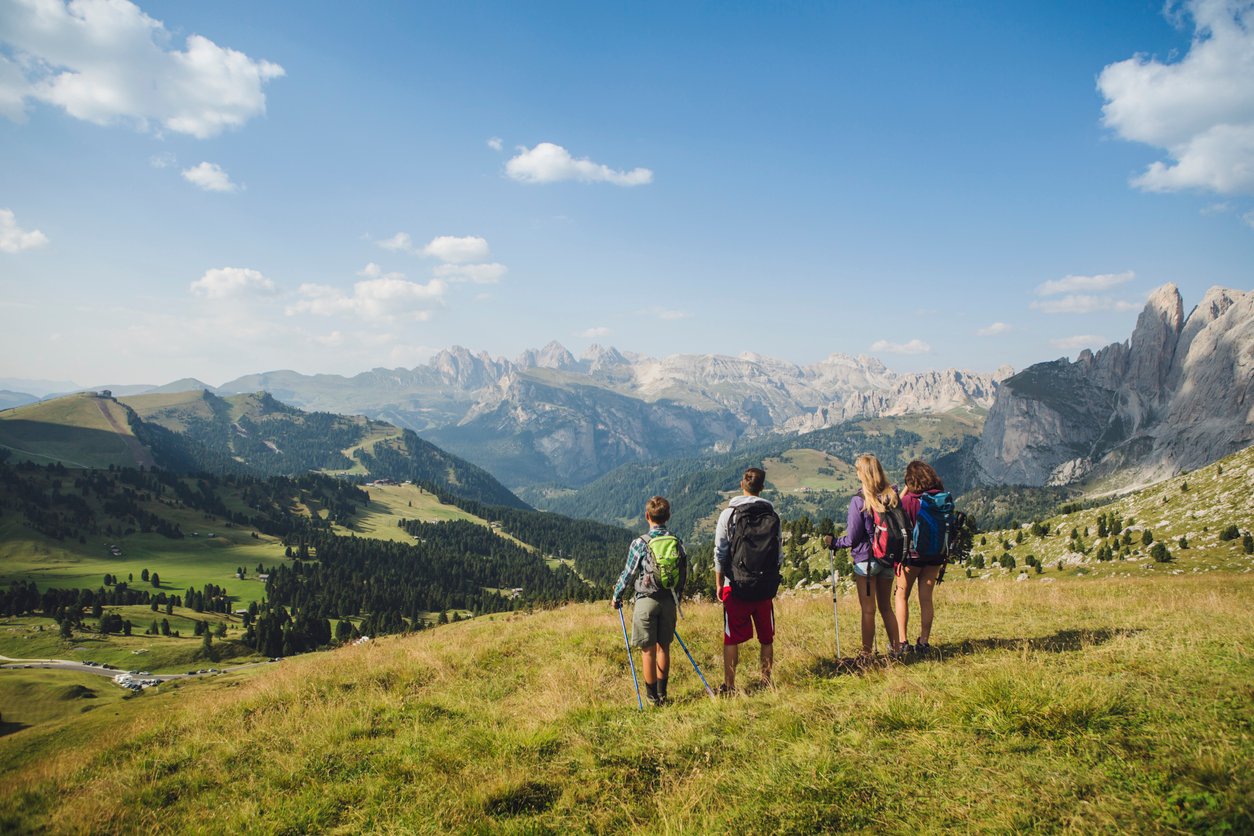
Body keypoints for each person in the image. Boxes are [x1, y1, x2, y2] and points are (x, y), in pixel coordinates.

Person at [823, 454, 902, 661]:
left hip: (866, 562)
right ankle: (896, 649)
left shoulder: (859, 501)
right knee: (886, 607)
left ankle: (866, 654)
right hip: (887, 559)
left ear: (863, 473)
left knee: (868, 610)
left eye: (858, 470)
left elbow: (853, 537)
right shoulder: (891, 497)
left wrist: (834, 543)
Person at [612, 496, 687, 706]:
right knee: (664, 647)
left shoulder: (640, 543)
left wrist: (617, 596)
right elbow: (683, 572)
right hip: (668, 601)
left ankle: (652, 698)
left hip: (645, 600)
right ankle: (663, 694)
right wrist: (677, 598)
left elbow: (628, 574)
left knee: (648, 650)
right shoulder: (676, 541)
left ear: (647, 516)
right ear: (668, 516)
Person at [713, 466, 782, 694]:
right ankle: (766, 681)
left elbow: (720, 552)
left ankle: (730, 686)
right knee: (766, 637)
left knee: (731, 638)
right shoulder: (773, 515)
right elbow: (778, 554)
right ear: (762, 487)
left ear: (743, 485)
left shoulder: (729, 514)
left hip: (736, 585)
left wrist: (719, 583)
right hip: (764, 587)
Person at [895, 460, 947, 654]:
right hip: (935, 556)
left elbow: (893, 511)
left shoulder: (908, 502)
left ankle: (902, 641)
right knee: (926, 599)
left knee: (902, 595)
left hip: (911, 556)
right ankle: (924, 642)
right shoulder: (941, 498)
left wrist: (904, 490)